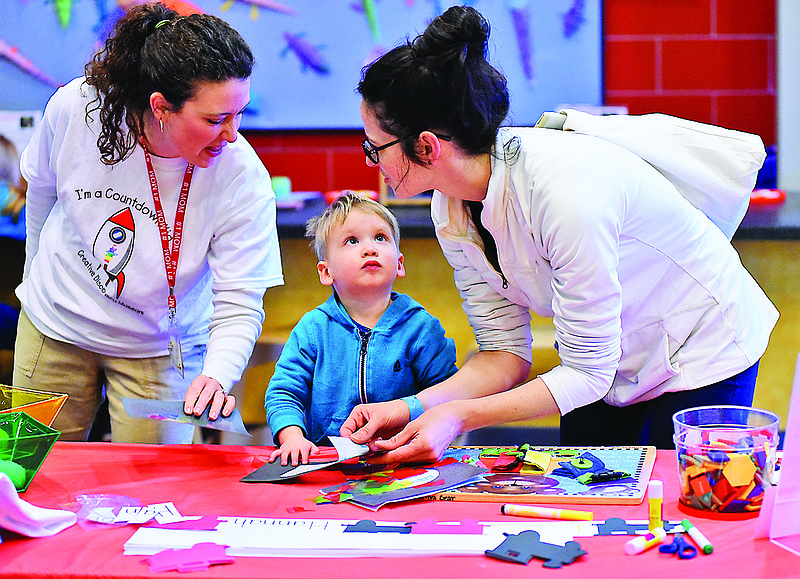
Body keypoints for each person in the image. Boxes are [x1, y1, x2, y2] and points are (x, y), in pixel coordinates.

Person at [340, 6, 778, 460]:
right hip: (605, 364)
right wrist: (412, 407)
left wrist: (460, 417)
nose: (371, 162)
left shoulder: (566, 193)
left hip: (700, 346)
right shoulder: (449, 206)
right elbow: (505, 353)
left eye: (375, 147)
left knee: (678, 506)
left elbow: (587, 374)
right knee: (590, 494)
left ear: (427, 146)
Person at [14, 3, 283, 443]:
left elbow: (240, 299)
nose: (232, 135)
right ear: (161, 107)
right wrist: (32, 284)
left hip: (161, 349)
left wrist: (216, 375)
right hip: (54, 328)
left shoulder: (241, 174)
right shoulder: (76, 108)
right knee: (21, 475)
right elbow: (41, 191)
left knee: (155, 499)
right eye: (215, 119)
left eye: (240, 114)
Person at [265, 191, 457, 465]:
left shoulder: (422, 329)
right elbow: (285, 392)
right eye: (352, 241)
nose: (370, 248)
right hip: (327, 461)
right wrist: (292, 436)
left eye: (380, 238)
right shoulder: (312, 330)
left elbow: (447, 395)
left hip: (405, 461)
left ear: (400, 263)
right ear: (326, 272)